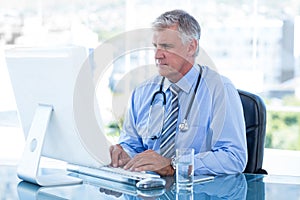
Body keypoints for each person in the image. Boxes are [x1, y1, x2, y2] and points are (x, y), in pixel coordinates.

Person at [109, 9, 247, 176]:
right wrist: (124, 154)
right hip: (150, 191)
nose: (157, 55)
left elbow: (234, 158)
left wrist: (175, 165)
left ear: (191, 47)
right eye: (156, 46)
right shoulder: (142, 91)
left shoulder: (220, 89)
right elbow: (132, 145)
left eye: (166, 47)